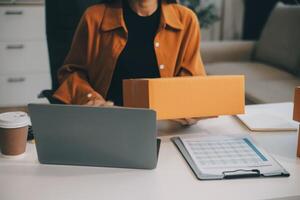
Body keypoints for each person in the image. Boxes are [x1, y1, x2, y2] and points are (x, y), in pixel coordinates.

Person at [53, 0, 207, 125]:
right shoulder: (94, 17)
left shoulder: (186, 20)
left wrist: (189, 107)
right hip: (104, 123)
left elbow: (193, 80)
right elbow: (71, 72)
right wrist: (90, 99)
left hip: (165, 127)